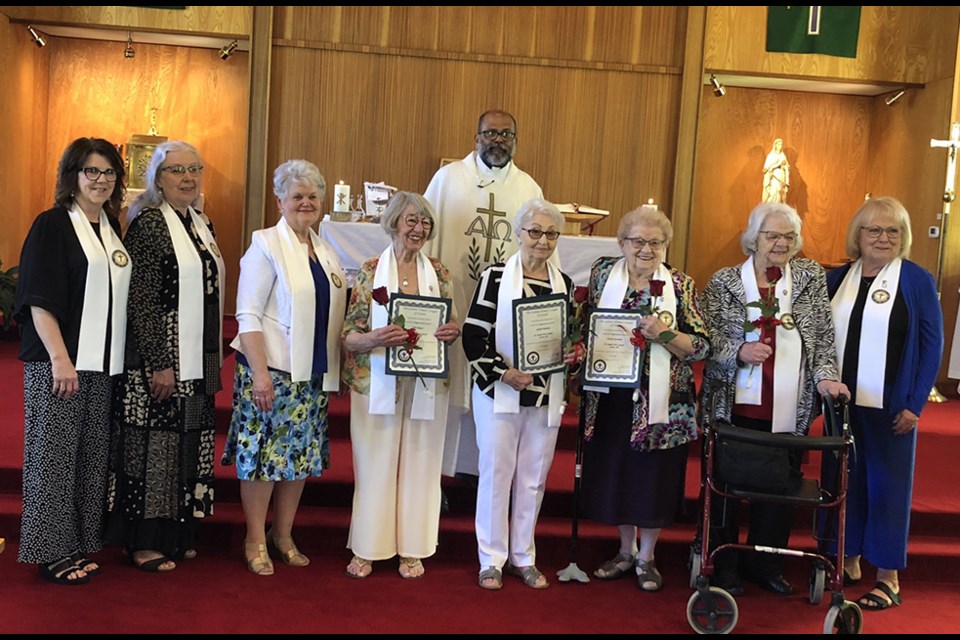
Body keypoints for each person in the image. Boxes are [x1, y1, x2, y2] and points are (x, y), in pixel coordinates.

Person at [699, 201, 848, 596]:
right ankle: (724, 564)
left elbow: (820, 337)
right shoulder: (723, 282)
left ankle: (765, 563)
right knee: (727, 490)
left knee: (780, 489)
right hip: (734, 406)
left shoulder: (810, 277)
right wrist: (738, 352)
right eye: (772, 235)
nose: (781, 243)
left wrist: (827, 379)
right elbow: (705, 341)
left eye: (788, 236)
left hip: (788, 405)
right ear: (754, 238)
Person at [221, 160, 348, 576]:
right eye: (297, 196)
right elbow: (248, 315)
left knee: (299, 458)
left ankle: (284, 534)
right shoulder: (265, 246)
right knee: (262, 460)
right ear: (280, 201)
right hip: (270, 372)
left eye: (313, 197)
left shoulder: (326, 251)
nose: (306, 203)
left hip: (310, 374)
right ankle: (255, 537)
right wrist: (258, 374)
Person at [15, 137, 130, 585]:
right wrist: (60, 358)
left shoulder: (110, 227)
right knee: (54, 457)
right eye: (91, 171)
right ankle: (51, 551)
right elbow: (39, 300)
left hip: (102, 365)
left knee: (88, 457)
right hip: (59, 364)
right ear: (72, 176)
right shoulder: (53, 225)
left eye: (108, 172)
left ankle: (79, 540)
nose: (100, 180)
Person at [108, 140, 225, 572]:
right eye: (177, 170)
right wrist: (160, 362)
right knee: (153, 447)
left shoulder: (201, 222)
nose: (188, 177)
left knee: (187, 445)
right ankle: (143, 541)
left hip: (196, 359)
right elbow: (140, 301)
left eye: (195, 169)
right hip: (160, 359)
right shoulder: (150, 224)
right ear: (157, 177)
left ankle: (176, 534)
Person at [579, 205, 710, 592]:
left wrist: (665, 335)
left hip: (663, 402)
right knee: (618, 473)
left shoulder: (681, 286)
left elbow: (702, 346)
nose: (646, 249)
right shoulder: (603, 275)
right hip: (612, 396)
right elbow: (586, 319)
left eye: (656, 242)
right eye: (638, 241)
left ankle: (647, 557)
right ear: (622, 243)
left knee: (652, 478)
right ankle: (625, 550)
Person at [826, 196, 943, 611]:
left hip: (892, 405)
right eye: (874, 230)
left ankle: (888, 577)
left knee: (887, 489)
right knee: (844, 481)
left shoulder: (915, 280)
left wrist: (914, 404)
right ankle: (849, 559)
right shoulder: (838, 278)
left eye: (893, 230)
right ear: (857, 235)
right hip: (841, 404)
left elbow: (932, 346)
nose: (883, 237)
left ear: (904, 238)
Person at [424, 109, 550, 484]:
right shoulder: (448, 180)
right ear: (476, 137)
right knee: (449, 385)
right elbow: (425, 236)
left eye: (506, 134)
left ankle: (483, 476)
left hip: (503, 311)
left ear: (516, 140)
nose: (498, 140)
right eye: (490, 133)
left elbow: (543, 254)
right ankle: (438, 476)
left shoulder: (528, 188)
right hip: (455, 300)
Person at [340, 191, 461, 579]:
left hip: (425, 383)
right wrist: (375, 338)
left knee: (422, 464)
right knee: (375, 463)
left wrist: (450, 331)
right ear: (393, 223)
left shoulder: (439, 273)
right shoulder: (370, 269)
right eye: (411, 220)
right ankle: (368, 547)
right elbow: (348, 335)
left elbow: (452, 325)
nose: (418, 228)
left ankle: (413, 548)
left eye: (425, 222)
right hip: (375, 380)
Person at [463, 198, 579, 591]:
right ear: (518, 234)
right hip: (501, 391)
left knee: (533, 479)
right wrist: (503, 373)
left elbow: (570, 340)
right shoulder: (495, 277)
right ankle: (491, 559)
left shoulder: (564, 285)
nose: (542, 240)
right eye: (534, 232)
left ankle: (524, 556)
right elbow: (473, 336)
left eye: (550, 233)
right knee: (497, 474)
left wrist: (571, 352)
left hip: (546, 394)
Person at [762, 138, 790, 204]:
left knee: (780, 193)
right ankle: (771, 208)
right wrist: (773, 167)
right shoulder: (770, 156)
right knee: (774, 192)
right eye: (779, 145)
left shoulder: (783, 156)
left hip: (781, 176)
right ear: (775, 145)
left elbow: (786, 166)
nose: (780, 146)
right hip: (774, 177)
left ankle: (778, 208)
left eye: (781, 145)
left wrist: (786, 166)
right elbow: (766, 168)